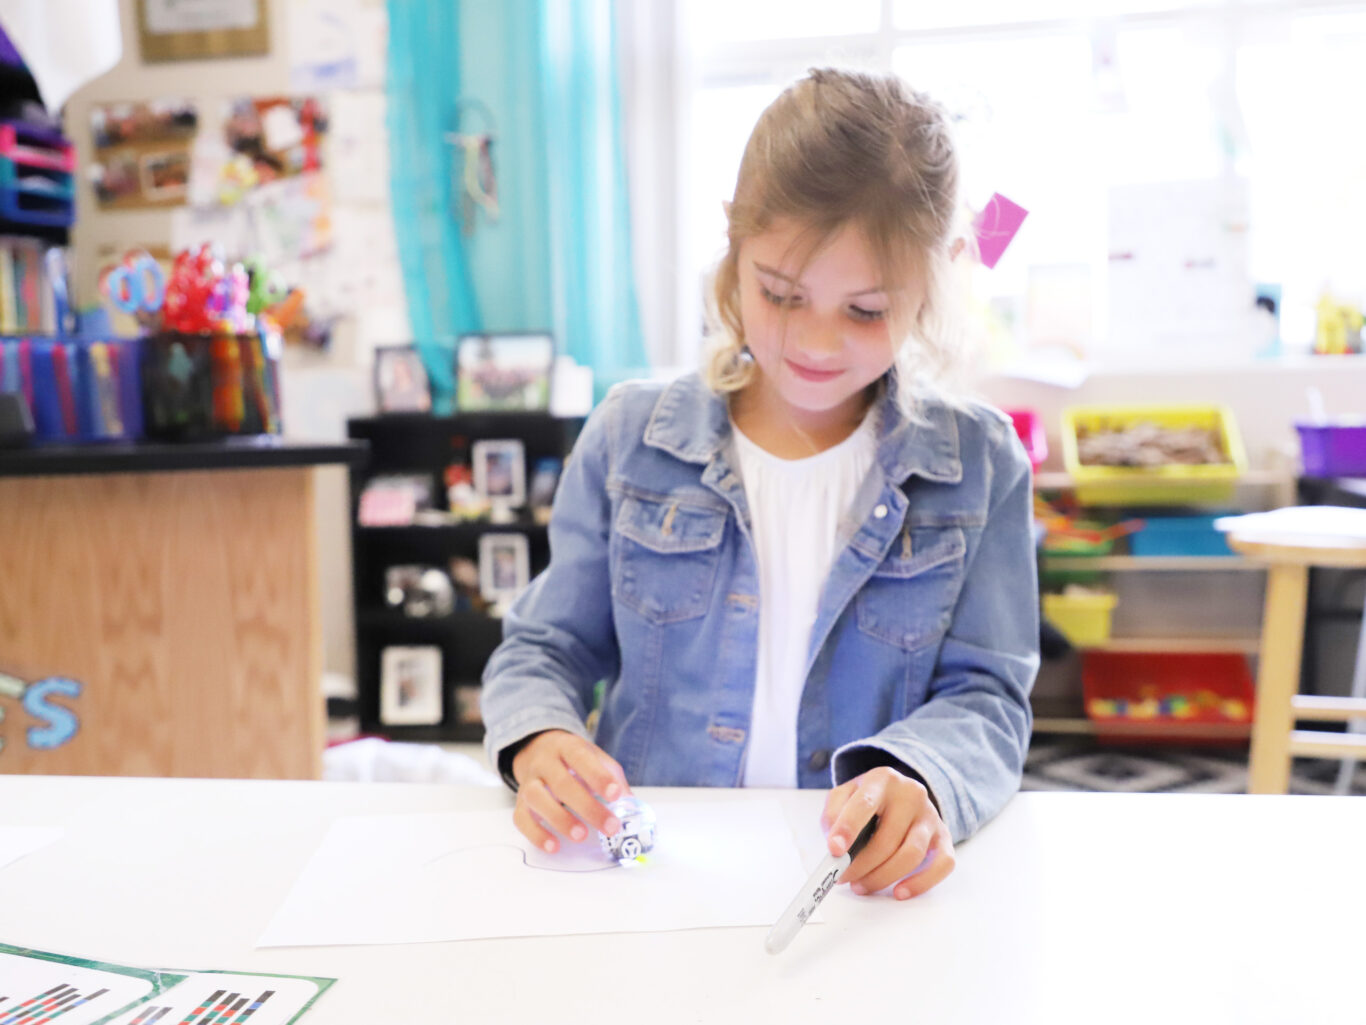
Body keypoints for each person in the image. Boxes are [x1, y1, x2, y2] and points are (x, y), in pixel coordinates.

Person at [481, 68, 1038, 902]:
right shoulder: (631, 438)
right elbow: (544, 647)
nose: (816, 342)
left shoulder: (980, 464)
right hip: (647, 879)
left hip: (849, 893)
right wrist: (541, 737)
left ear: (931, 285)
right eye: (781, 294)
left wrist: (922, 778)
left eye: (865, 310)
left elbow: (988, 698)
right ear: (735, 257)